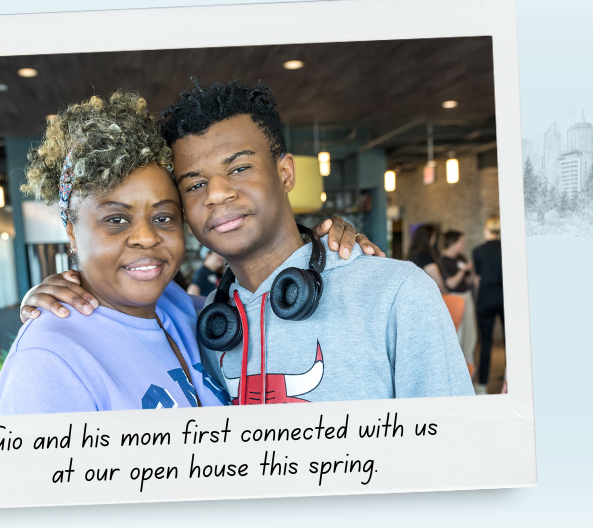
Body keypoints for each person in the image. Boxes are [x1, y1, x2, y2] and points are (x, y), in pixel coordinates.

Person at [25, 80, 472, 403]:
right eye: (195, 184)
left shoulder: (395, 293)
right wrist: (59, 289)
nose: (218, 193)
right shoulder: (205, 321)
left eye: (239, 168)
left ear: (285, 173)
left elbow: (458, 458)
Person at [0, 91, 227, 413]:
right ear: (73, 233)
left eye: (163, 218)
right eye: (116, 220)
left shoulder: (183, 308)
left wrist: (317, 250)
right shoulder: (48, 359)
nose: (146, 238)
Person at [437, 230, 477, 370]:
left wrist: (472, 272)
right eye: (461, 241)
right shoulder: (442, 261)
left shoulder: (462, 258)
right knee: (457, 335)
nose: (463, 244)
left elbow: (469, 281)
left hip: (467, 296)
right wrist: (462, 270)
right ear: (453, 243)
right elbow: (451, 284)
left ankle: (469, 367)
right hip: (454, 300)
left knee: (470, 335)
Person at [472, 217, 503, 394]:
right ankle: (510, 379)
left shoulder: (478, 251)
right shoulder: (508, 248)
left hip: (485, 299)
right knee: (510, 341)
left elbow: (479, 278)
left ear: (486, 229)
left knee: (485, 343)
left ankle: (482, 384)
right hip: (505, 298)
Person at [406, 223, 448, 292]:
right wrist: (445, 292)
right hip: (428, 295)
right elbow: (438, 282)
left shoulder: (412, 254)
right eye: (434, 237)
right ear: (429, 237)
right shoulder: (425, 256)